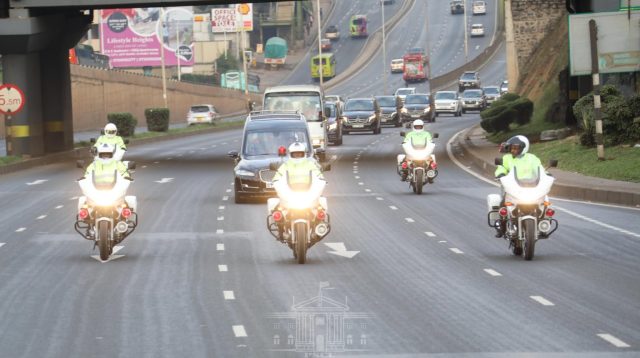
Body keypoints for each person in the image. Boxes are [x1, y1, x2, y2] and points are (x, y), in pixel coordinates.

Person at [493, 135, 543, 237]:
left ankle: (543, 224)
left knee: (544, 204)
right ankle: (502, 228)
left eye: (516, 148)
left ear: (524, 148)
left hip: (531, 187)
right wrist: (501, 173)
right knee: (503, 205)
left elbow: (539, 168)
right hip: (513, 189)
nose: (513, 150)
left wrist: (546, 174)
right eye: (512, 148)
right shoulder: (507, 158)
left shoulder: (532, 158)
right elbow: (501, 167)